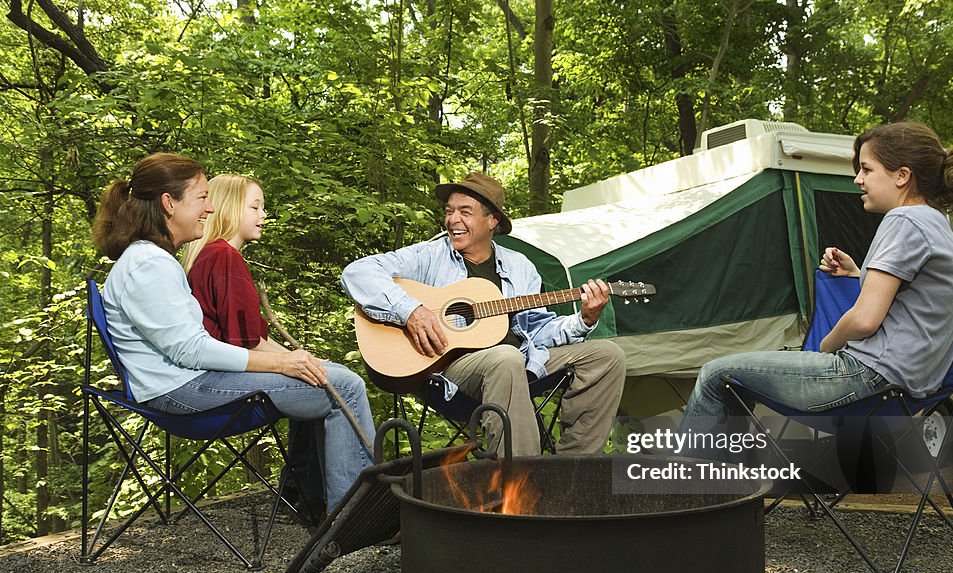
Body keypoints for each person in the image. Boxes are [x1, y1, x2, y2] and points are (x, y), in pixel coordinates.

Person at [681, 121, 953, 481]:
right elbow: (917, 299)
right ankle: (731, 492)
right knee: (735, 379)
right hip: (907, 388)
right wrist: (860, 275)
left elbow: (865, 320)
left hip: (865, 378)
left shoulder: (904, 220)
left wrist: (827, 346)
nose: (858, 179)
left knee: (716, 374)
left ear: (902, 175)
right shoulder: (935, 223)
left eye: (867, 169)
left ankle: (687, 492)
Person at [92, 154, 374, 513]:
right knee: (345, 387)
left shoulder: (152, 259)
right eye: (201, 198)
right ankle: (354, 516)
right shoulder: (148, 264)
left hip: (183, 383)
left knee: (328, 376)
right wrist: (281, 364)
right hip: (181, 391)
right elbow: (190, 351)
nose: (209, 209)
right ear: (169, 203)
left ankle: (320, 500)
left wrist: (287, 363)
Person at [341, 172, 626, 456]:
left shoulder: (520, 266)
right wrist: (411, 311)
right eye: (449, 211)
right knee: (506, 358)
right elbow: (357, 273)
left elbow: (538, 331)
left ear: (492, 221)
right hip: (450, 373)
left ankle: (573, 469)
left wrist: (585, 319)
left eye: (465, 212)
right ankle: (526, 482)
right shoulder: (428, 256)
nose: (453, 220)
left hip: (523, 362)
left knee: (608, 355)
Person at [180, 174, 368, 522]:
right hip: (222, 380)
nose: (264, 215)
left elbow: (250, 337)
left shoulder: (210, 255)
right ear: (230, 208)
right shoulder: (224, 258)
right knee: (347, 385)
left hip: (218, 373)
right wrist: (296, 360)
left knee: (319, 372)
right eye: (255, 206)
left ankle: (305, 496)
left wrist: (302, 359)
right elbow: (246, 343)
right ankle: (353, 514)